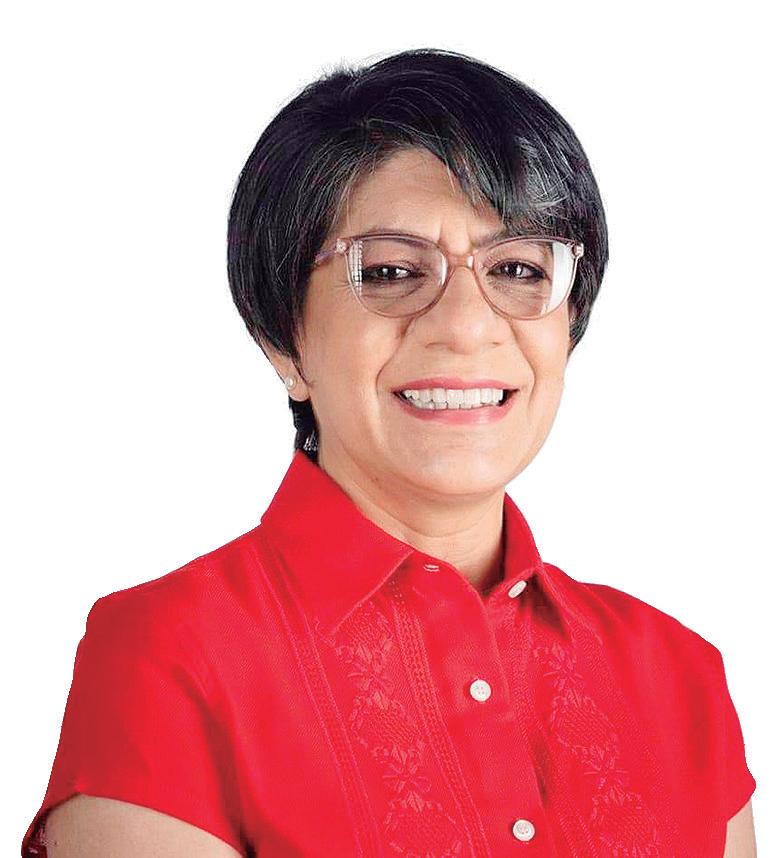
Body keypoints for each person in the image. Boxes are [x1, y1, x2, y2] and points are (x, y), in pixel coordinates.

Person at [21, 48, 757, 857]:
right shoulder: (173, 653)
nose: (466, 325)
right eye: (391, 270)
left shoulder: (676, 674)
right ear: (283, 340)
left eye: (517, 267)